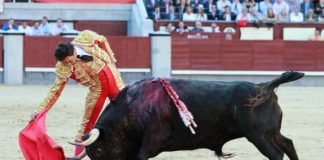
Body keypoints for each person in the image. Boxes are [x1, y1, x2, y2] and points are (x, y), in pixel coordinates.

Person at [30, 30, 125, 156]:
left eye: (70, 61)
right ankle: (77, 156)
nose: (69, 64)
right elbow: (55, 92)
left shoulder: (85, 37)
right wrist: (40, 111)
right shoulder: (62, 67)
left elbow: (102, 39)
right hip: (97, 91)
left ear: (74, 52)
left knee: (129, 112)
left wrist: (111, 57)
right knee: (86, 127)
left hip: (115, 79)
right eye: (66, 63)